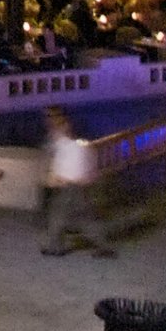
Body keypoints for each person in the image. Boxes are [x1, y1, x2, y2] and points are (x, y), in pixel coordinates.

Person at [39, 107, 113, 257]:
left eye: (49, 115)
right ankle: (103, 247)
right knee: (84, 217)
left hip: (69, 184)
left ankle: (55, 247)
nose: (47, 119)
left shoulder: (61, 136)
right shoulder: (73, 140)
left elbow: (61, 159)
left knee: (59, 215)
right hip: (77, 183)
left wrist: (55, 177)